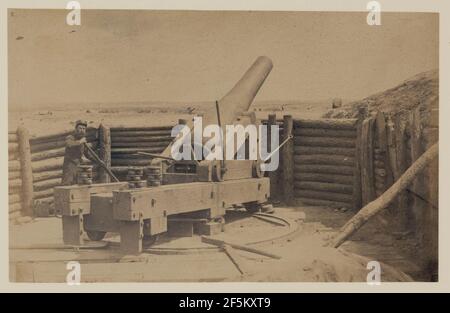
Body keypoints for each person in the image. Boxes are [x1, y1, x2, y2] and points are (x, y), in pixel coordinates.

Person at [61, 120, 93, 185]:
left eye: (84, 129)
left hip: (79, 166)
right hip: (70, 166)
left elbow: (87, 154)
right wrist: (80, 142)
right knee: (67, 184)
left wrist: (93, 159)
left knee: (77, 185)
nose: (82, 130)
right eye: (80, 128)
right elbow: (69, 144)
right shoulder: (70, 137)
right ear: (76, 129)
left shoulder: (83, 140)